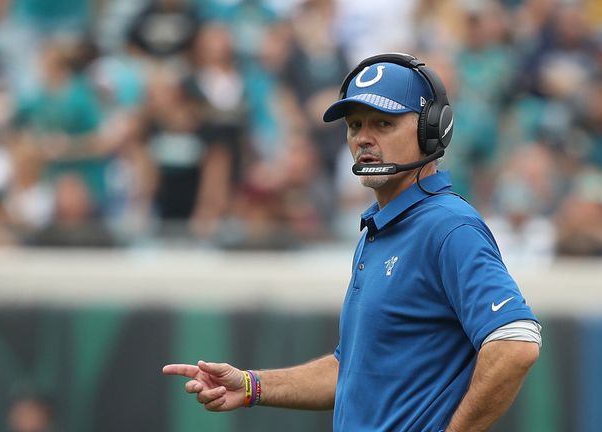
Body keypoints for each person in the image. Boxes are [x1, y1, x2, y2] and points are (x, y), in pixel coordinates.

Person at [163, 53, 541, 431]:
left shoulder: (448, 226)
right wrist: (251, 385)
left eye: (383, 123)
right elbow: (352, 371)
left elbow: (515, 343)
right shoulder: (383, 228)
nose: (363, 138)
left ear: (432, 129)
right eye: (355, 124)